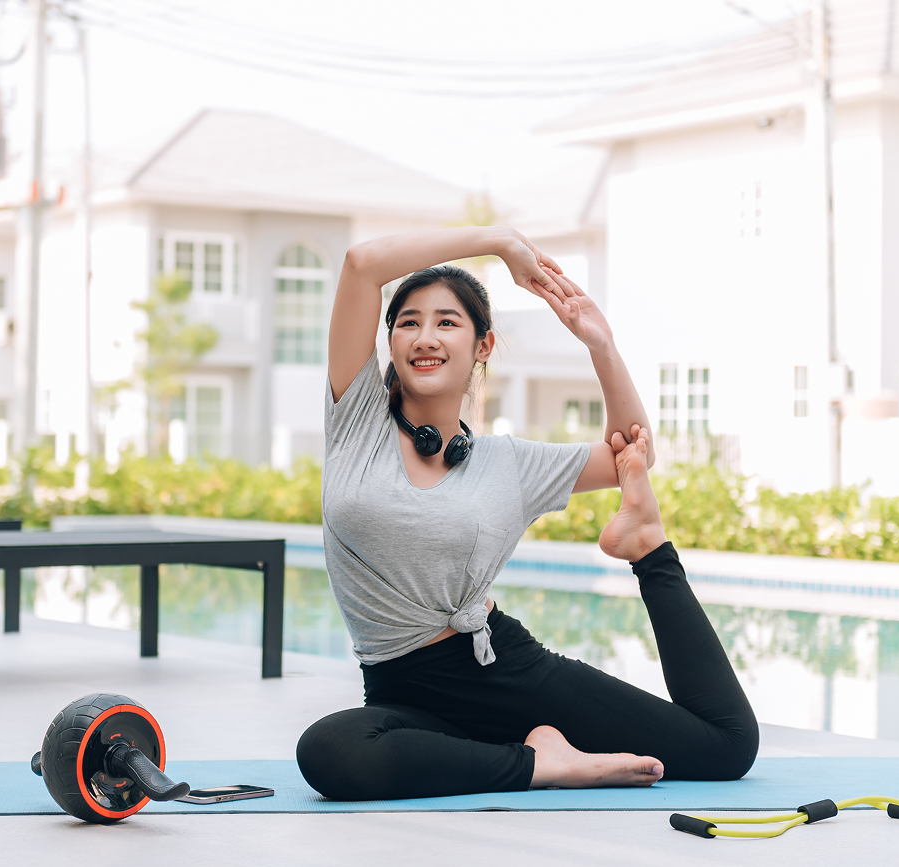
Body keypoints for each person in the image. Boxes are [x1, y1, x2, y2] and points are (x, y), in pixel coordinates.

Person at [296, 227, 758, 800]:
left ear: (482, 345)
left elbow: (629, 454)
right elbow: (361, 263)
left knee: (728, 746)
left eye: (447, 322)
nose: (424, 336)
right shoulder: (356, 419)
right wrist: (498, 241)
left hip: (503, 671)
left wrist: (601, 347)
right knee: (328, 750)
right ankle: (542, 765)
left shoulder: (506, 464)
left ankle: (646, 546)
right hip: (401, 690)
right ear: (389, 340)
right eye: (408, 321)